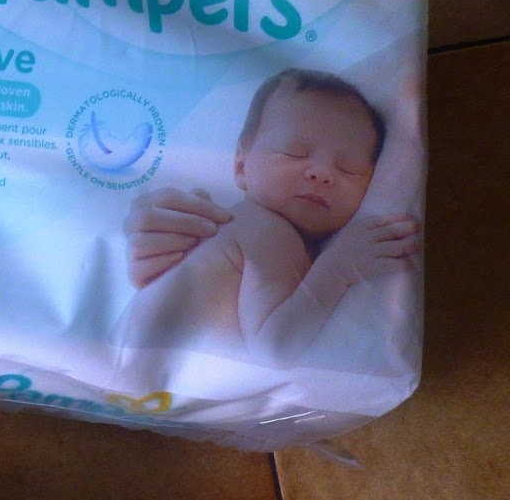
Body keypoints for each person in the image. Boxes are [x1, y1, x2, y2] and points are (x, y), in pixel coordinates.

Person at [120, 69, 421, 362]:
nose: (321, 173)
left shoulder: (236, 228)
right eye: (294, 153)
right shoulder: (267, 230)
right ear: (241, 166)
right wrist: (338, 268)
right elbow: (274, 348)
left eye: (348, 169)